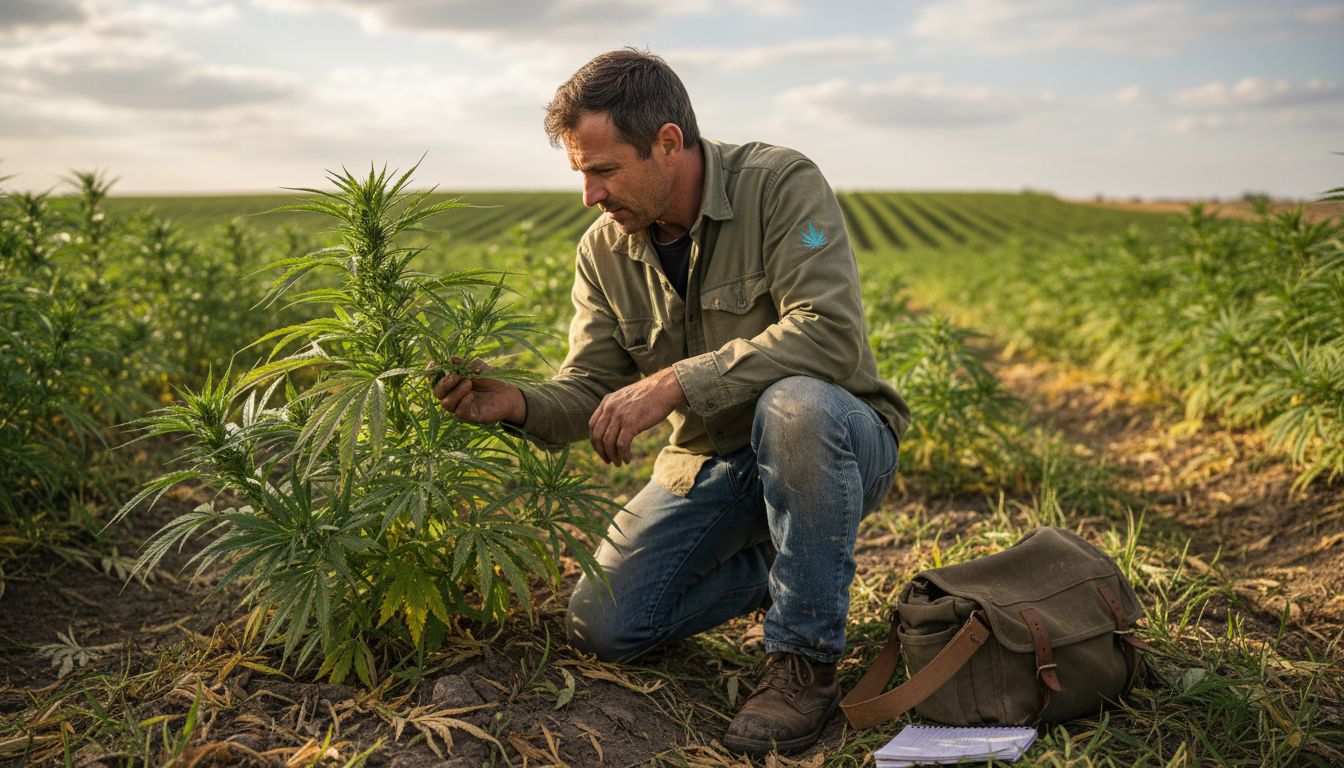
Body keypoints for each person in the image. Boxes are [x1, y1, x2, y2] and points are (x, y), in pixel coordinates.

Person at [432, 48, 909, 757]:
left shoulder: (780, 186)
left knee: (794, 407)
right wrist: (517, 404)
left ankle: (803, 666)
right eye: (580, 173)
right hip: (711, 462)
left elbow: (828, 332)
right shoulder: (604, 249)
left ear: (667, 143)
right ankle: (802, 559)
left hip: (833, 439)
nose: (590, 196)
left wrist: (677, 381)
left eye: (603, 170)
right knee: (606, 624)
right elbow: (589, 387)